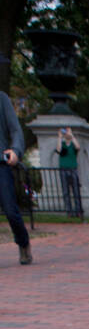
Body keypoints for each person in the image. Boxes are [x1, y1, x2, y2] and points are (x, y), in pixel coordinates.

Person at [0, 58, 32, 263]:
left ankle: (23, 242)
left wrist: (16, 150)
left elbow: (15, 129)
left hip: (1, 163)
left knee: (11, 211)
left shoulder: (1, 99)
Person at [56, 125, 82, 216]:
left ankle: (78, 210)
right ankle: (69, 211)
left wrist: (72, 135)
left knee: (76, 190)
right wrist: (60, 137)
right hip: (63, 169)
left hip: (73, 169)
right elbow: (58, 150)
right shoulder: (62, 145)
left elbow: (78, 147)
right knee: (65, 191)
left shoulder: (72, 145)